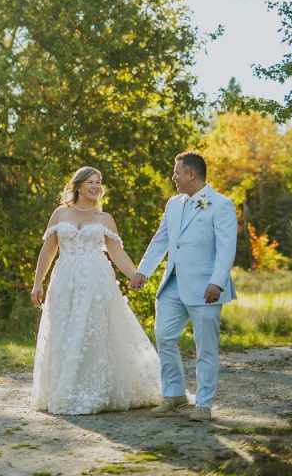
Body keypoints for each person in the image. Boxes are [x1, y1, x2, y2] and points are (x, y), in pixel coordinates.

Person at [30, 166, 160, 415]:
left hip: (96, 281)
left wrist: (134, 275)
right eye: (91, 182)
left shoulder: (104, 218)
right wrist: (38, 282)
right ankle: (64, 389)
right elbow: (48, 251)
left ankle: (97, 389)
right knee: (65, 331)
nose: (96, 187)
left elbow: (116, 252)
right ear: (77, 185)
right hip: (65, 280)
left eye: (99, 182)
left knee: (93, 332)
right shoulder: (60, 214)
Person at [130, 151, 238, 422]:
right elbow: (161, 239)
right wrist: (143, 270)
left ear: (191, 173)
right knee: (164, 336)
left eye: (176, 172)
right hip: (172, 285)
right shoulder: (173, 204)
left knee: (206, 347)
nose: (173, 177)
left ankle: (203, 404)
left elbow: (226, 248)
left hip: (206, 287)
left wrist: (217, 282)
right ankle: (176, 395)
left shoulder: (221, 204)